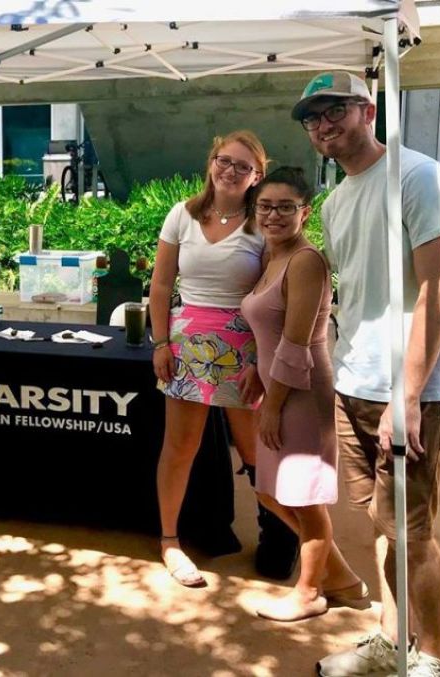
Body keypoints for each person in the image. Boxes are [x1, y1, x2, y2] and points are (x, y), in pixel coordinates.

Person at [291, 72, 440, 677]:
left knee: (412, 532)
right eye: (312, 118)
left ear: (368, 110)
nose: (323, 125)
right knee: (381, 524)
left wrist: (409, 395)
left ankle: (435, 660)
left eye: (334, 110)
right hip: (354, 383)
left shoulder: (419, 177)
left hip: (408, 390)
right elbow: (355, 294)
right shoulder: (338, 200)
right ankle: (392, 642)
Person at [149, 130, 299, 587]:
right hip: (187, 343)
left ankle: (280, 536)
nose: (230, 171)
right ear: (210, 163)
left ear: (257, 176)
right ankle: (170, 541)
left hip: (246, 346)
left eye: (243, 166)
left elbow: (276, 293)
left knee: (257, 451)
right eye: (223, 160)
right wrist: (160, 343)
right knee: (180, 449)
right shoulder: (182, 215)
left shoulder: (263, 224)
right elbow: (160, 285)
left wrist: (262, 359)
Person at [240, 167, 366, 621]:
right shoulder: (270, 256)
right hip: (276, 386)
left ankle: (309, 593)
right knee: (271, 492)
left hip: (300, 392)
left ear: (305, 211)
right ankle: (342, 577)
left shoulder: (305, 261)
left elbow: (296, 345)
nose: (273, 215)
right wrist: (257, 369)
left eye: (285, 207)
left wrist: (272, 407)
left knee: (303, 498)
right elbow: (270, 330)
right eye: (265, 207)